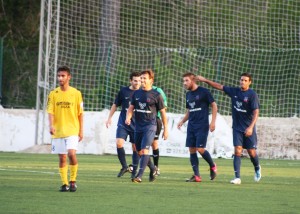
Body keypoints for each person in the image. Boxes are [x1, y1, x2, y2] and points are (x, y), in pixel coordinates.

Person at [196, 73, 261, 184]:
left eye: (245, 80)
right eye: (241, 80)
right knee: (237, 151)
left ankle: (257, 167)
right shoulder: (234, 91)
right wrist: (205, 80)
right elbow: (219, 86)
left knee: (251, 152)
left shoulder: (252, 95)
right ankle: (237, 177)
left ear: (249, 82)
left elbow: (256, 112)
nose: (242, 82)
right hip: (237, 128)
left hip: (248, 128)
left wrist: (251, 127)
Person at [126, 69, 168, 183]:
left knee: (145, 150)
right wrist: (128, 117)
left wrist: (166, 130)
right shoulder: (137, 93)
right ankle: (153, 169)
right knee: (139, 151)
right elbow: (131, 108)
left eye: (144, 78)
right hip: (138, 126)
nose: (142, 80)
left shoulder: (156, 95)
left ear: (151, 80)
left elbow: (163, 113)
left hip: (150, 126)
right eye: (141, 78)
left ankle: (139, 176)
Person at [47, 66, 83, 192]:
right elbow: (50, 111)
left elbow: (80, 114)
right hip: (58, 131)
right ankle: (65, 183)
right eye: (59, 76)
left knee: (71, 154)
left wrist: (81, 131)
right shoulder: (53, 94)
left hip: (72, 130)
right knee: (62, 158)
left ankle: (73, 181)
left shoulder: (76, 93)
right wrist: (51, 125)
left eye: (63, 76)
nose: (60, 78)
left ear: (69, 77)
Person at [177, 72, 218, 182]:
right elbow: (189, 111)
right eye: (183, 81)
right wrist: (182, 121)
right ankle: (197, 176)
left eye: (186, 81)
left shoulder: (204, 92)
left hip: (202, 125)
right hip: (191, 125)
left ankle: (212, 165)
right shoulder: (188, 94)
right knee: (191, 149)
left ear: (193, 81)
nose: (184, 83)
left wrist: (213, 122)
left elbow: (214, 105)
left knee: (200, 149)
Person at [106, 72, 141, 177]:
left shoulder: (142, 92)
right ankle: (124, 166)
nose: (137, 83)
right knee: (119, 143)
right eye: (135, 80)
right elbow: (115, 104)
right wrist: (109, 118)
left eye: (139, 80)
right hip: (123, 123)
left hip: (136, 124)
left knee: (135, 147)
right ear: (130, 81)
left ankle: (134, 170)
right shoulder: (123, 91)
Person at [151, 85, 168, 175]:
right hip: (140, 121)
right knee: (138, 146)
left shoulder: (158, 91)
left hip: (154, 120)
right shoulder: (139, 90)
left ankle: (156, 167)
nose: (142, 81)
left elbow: (164, 107)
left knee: (154, 144)